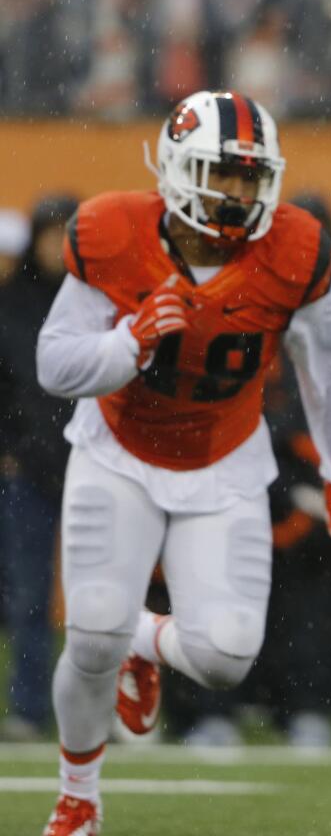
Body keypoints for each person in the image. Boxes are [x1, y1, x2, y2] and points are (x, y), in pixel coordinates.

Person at [35, 90, 331, 835]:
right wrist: (129, 344)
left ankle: (144, 642)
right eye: (222, 172)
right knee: (89, 628)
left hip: (223, 460)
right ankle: (78, 796)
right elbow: (54, 364)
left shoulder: (294, 247)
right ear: (180, 167)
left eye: (251, 176)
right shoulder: (113, 230)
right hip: (118, 448)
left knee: (223, 657)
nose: (239, 192)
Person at [164, 191, 331, 748]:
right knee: (220, 585)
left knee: (313, 595)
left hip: (312, 466)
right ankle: (213, 706)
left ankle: (305, 704)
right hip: (242, 460)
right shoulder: (244, 288)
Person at [0, 194, 78, 742]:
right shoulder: (9, 305)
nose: (58, 246)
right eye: (51, 234)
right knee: (28, 594)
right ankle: (29, 708)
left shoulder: (99, 300)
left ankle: (100, 710)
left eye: (68, 235)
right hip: (25, 471)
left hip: (95, 468)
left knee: (106, 596)